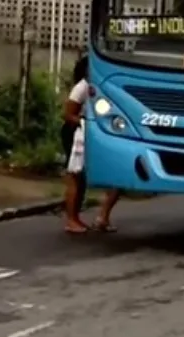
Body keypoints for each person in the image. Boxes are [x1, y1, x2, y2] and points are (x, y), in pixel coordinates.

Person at [61, 55, 120, 234]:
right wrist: (85, 123)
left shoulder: (105, 85)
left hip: (103, 135)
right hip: (81, 136)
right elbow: (68, 114)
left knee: (116, 179)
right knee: (77, 179)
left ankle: (103, 217)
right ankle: (72, 220)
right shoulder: (82, 87)